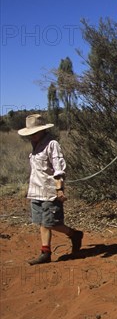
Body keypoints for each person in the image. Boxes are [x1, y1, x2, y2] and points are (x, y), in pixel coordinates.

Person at [18, 114, 83, 265]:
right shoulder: (35, 145)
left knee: (52, 223)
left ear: (42, 130)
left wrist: (60, 189)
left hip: (49, 191)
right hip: (36, 190)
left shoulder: (52, 144)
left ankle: (74, 234)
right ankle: (45, 253)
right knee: (42, 222)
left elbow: (59, 168)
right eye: (30, 134)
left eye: (34, 133)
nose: (32, 136)